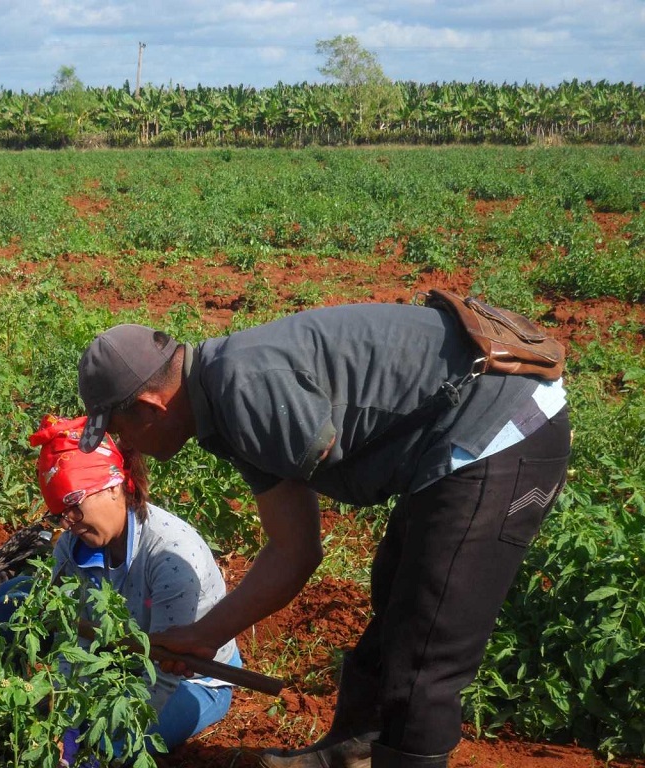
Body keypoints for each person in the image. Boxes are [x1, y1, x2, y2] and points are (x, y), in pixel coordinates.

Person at [74, 305, 571, 768]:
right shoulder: (222, 399)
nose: (123, 445)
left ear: (149, 407)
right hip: (451, 440)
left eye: (119, 429)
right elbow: (295, 550)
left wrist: (202, 635)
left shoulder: (243, 390)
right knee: (399, 591)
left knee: (426, 655)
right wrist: (204, 637)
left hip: (503, 427)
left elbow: (299, 542)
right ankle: (347, 754)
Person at [0, 414, 242, 757]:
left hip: (187, 679)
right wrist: (64, 712)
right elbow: (74, 638)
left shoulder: (170, 555)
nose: (69, 523)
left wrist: (97, 730)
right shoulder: (73, 547)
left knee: (117, 746)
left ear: (112, 486)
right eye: (59, 513)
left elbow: (164, 674)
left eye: (74, 507)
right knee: (13, 596)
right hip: (117, 656)